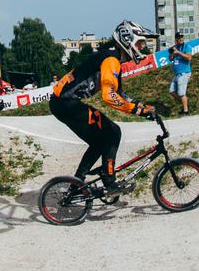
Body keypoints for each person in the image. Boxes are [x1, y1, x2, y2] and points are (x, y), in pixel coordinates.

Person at [50, 20, 157, 194]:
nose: (141, 48)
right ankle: (109, 181)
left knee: (100, 141)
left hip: (63, 102)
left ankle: (78, 183)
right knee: (112, 132)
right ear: (127, 40)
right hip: (66, 103)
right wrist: (137, 110)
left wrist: (142, 106)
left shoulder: (113, 58)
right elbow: (109, 96)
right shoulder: (111, 60)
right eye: (139, 43)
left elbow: (119, 93)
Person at [168, 32, 192, 115]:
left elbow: (189, 57)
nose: (180, 39)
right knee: (171, 91)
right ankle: (185, 101)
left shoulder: (187, 46)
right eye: (178, 37)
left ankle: (186, 111)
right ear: (176, 39)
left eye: (181, 37)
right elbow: (170, 59)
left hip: (184, 72)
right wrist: (172, 54)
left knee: (181, 93)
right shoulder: (175, 48)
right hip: (177, 74)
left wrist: (178, 53)